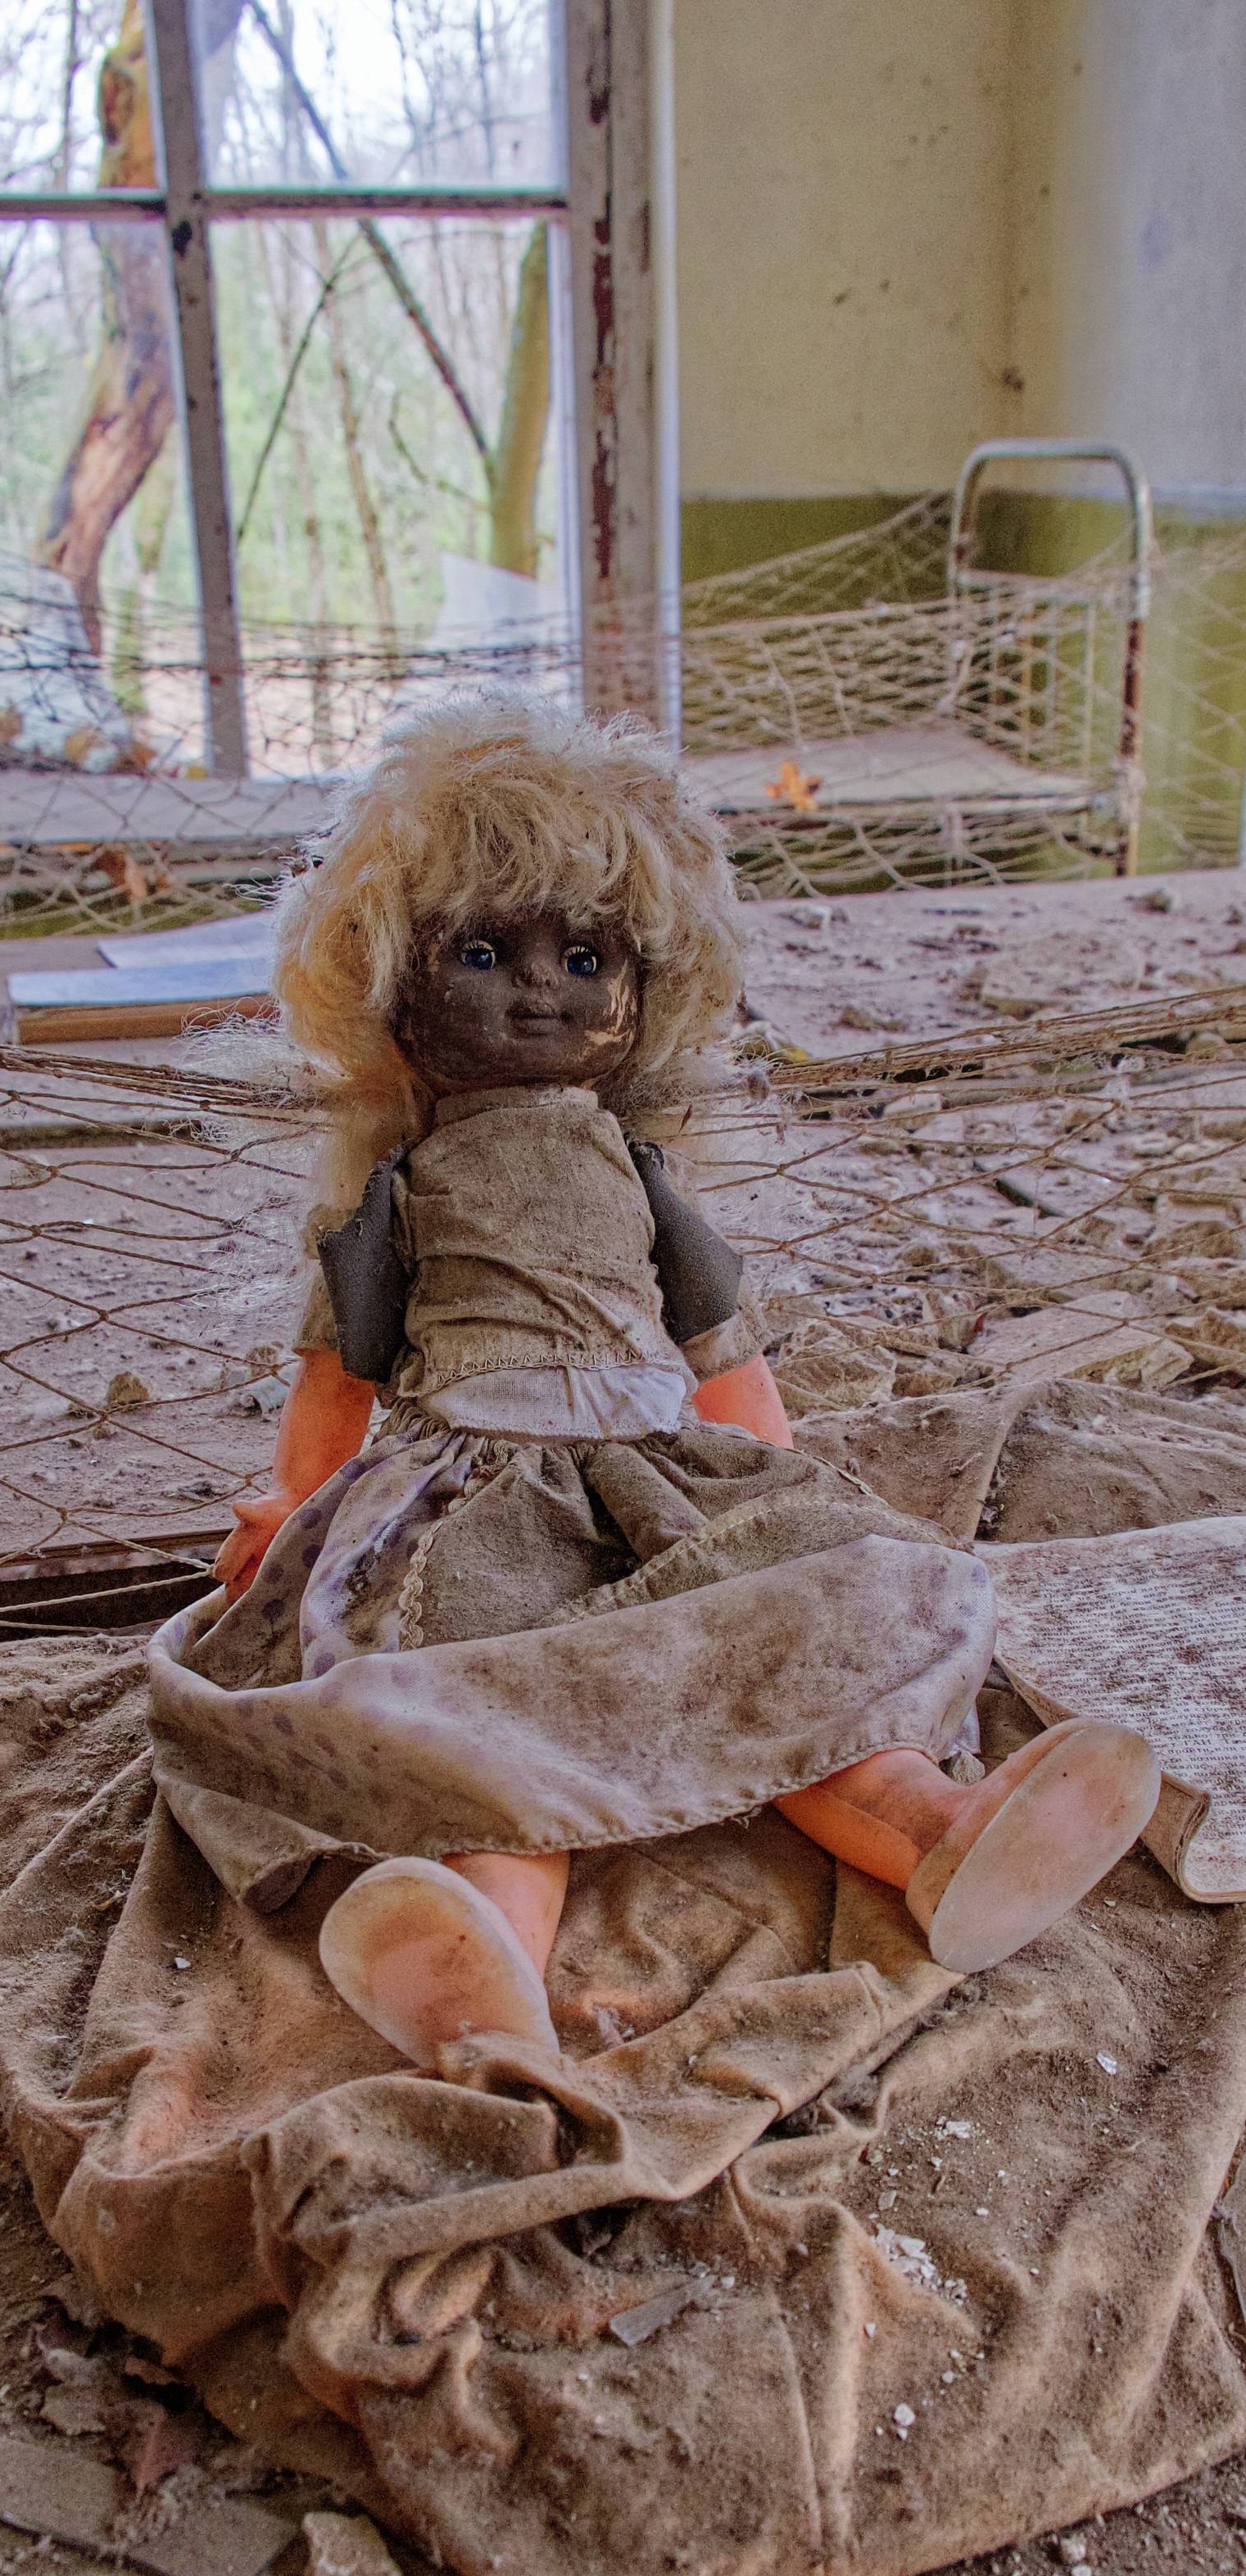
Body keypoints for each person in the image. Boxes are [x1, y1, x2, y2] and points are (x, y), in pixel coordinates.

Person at [147, 698, 1158, 2072]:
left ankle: (940, 1836)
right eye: (486, 952)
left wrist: (788, 1491)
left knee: (793, 1643)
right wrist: (293, 1508)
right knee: (489, 1708)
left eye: (583, 955)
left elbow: (721, 1352)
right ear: (388, 979)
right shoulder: (397, 1193)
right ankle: (484, 1962)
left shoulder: (643, 1177)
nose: (541, 989)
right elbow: (343, 1365)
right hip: (469, 1488)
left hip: (656, 1467)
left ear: (648, 987)